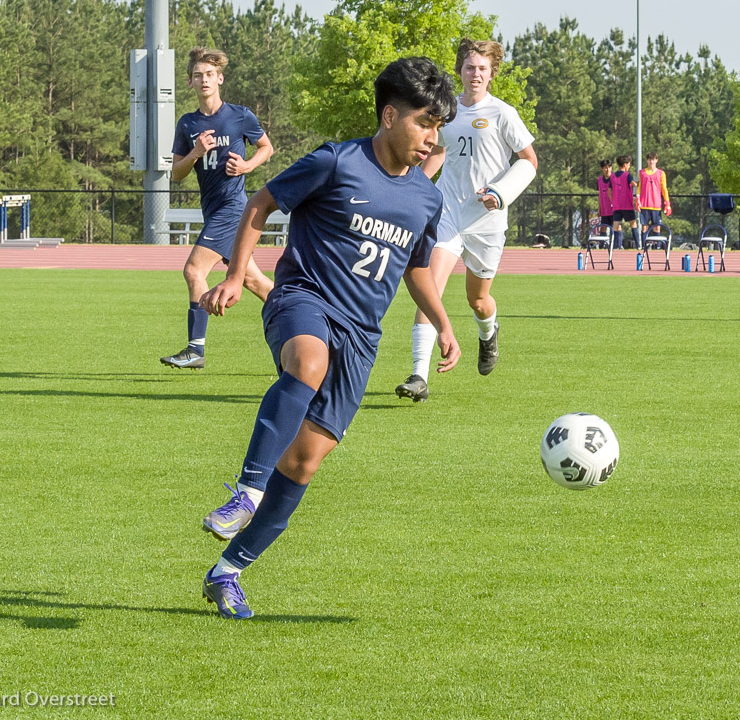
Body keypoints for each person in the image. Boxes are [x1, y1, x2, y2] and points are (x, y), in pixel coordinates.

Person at [198, 57, 461, 619]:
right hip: (304, 299)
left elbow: (416, 267)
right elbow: (261, 202)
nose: (431, 138)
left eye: (439, 126)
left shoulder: (425, 198)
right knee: (307, 362)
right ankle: (247, 490)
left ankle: (228, 571)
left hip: (363, 337)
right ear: (390, 116)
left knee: (304, 463)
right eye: (424, 123)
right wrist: (234, 275)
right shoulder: (337, 161)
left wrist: (442, 322)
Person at [394, 39, 538, 403]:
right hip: (449, 212)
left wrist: (501, 193)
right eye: (470, 67)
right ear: (459, 69)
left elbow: (529, 161)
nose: (476, 74)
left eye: (482, 69)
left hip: (488, 220)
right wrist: (412, 188)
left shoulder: (504, 113)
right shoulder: (447, 111)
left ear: (492, 74)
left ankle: (488, 333)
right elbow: (438, 153)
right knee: (431, 289)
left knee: (479, 300)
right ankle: (418, 374)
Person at [161, 47, 275, 370]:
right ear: (190, 83)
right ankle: (304, 322)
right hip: (214, 211)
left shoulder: (239, 115)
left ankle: (195, 350)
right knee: (254, 282)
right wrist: (195, 152)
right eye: (198, 75)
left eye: (209, 74)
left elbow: (267, 147)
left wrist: (247, 166)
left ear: (220, 79)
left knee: (194, 271)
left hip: (234, 209)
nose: (204, 80)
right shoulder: (187, 124)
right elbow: (177, 173)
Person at [637, 152, 672, 246]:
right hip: (644, 204)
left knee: (657, 227)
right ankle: (644, 246)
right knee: (644, 227)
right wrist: (637, 199)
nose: (651, 161)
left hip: (656, 205)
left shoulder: (661, 173)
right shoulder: (642, 172)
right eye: (649, 159)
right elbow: (639, 187)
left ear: (656, 160)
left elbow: (664, 188)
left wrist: (667, 203)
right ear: (647, 160)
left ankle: (658, 247)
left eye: (653, 159)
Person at [609, 154, 638, 249]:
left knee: (616, 225)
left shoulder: (612, 176)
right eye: (629, 164)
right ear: (625, 164)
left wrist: (613, 200)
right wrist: (638, 183)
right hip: (627, 205)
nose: (629, 166)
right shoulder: (627, 175)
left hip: (617, 205)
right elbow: (634, 184)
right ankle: (638, 245)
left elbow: (609, 190)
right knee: (633, 224)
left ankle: (615, 246)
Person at [596, 159, 614, 235]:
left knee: (616, 226)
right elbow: (600, 194)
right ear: (602, 168)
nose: (608, 169)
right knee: (603, 227)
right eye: (605, 168)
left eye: (609, 167)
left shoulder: (614, 178)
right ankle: (602, 245)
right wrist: (599, 208)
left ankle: (617, 244)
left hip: (614, 208)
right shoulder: (600, 180)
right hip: (604, 208)